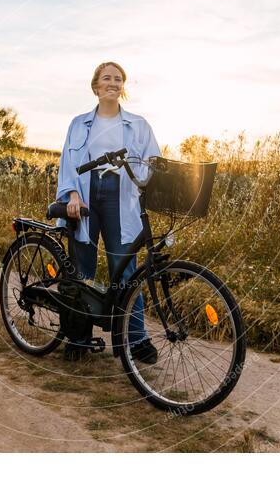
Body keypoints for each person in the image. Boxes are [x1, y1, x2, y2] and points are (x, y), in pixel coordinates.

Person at [56, 61, 160, 363]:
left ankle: (136, 339)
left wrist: (151, 184)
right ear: (96, 86)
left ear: (122, 87)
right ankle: (78, 338)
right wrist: (73, 195)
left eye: (118, 79)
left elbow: (154, 162)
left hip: (121, 195)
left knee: (126, 270)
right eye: (106, 78)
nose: (112, 83)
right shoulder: (79, 123)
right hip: (86, 195)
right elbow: (68, 162)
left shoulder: (138, 125)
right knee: (81, 269)